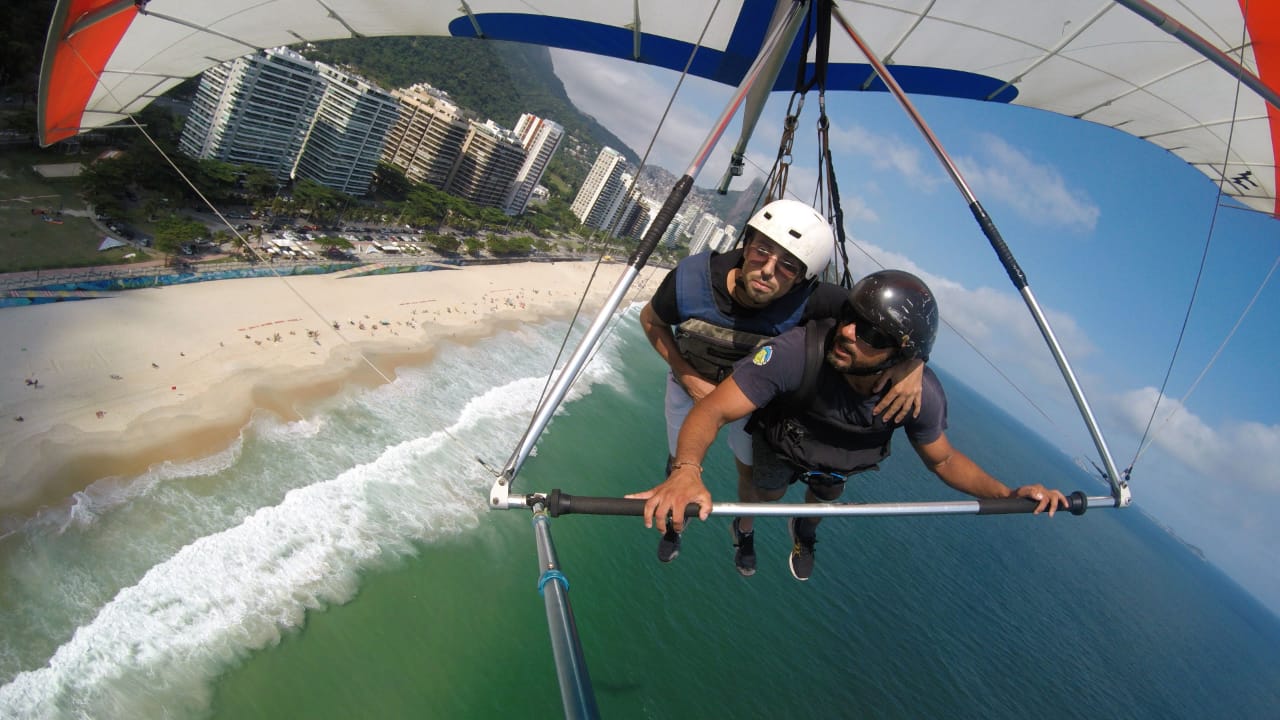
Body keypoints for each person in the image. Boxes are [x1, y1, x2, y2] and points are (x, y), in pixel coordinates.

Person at [630, 269, 1068, 581]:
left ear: (902, 356)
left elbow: (944, 459)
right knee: (767, 494)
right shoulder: (797, 352)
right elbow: (713, 409)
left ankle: (803, 530)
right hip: (784, 443)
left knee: (823, 500)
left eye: (872, 335)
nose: (849, 333)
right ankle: (744, 529)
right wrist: (686, 470)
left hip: (840, 459)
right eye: (851, 317)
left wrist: (1007, 494)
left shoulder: (917, 394)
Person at [639, 200, 923, 573]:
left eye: (788, 265)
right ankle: (676, 518)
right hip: (689, 380)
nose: (768, 269)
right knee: (681, 458)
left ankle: (744, 527)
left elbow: (881, 320)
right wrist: (689, 378)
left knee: (749, 472)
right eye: (761, 251)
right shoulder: (692, 279)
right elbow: (652, 320)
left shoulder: (812, 299)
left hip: (750, 397)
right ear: (746, 245)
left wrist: (914, 362)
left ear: (803, 278)